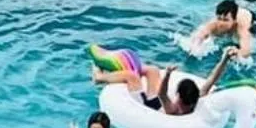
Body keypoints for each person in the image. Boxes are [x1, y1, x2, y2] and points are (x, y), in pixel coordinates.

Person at [92, 48, 235, 117]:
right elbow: (212, 79)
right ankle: (125, 67)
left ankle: (99, 78)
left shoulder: (174, 109)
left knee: (132, 77)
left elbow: (162, 94)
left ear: (178, 95)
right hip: (156, 103)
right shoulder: (196, 100)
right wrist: (224, 60)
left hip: (146, 107)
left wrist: (167, 75)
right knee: (153, 70)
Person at [185, 0, 256, 61]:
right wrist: (196, 47)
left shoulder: (242, 27)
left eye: (225, 20)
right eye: (219, 19)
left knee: (254, 31)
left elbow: (246, 52)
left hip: (248, 17)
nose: (221, 23)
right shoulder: (214, 24)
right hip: (233, 12)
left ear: (234, 20)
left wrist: (236, 52)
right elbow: (198, 35)